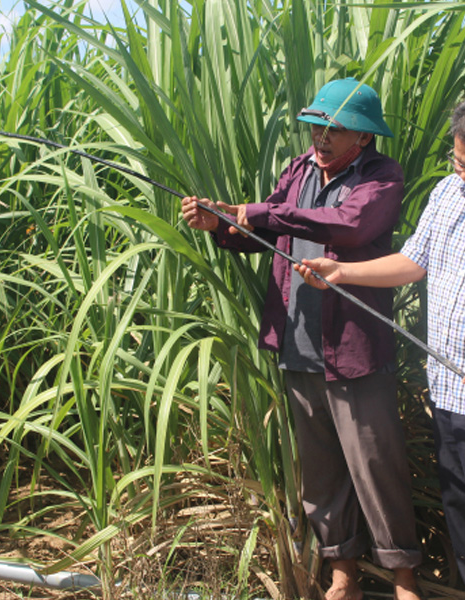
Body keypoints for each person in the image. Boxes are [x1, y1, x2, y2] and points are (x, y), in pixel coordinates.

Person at [297, 92, 465, 600]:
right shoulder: (449, 193)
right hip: (446, 386)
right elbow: (412, 262)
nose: (464, 174)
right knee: (463, 510)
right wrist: (343, 272)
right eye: (458, 161)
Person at [181, 78, 421, 600]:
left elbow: (349, 225)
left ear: (362, 137)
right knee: (321, 473)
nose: (320, 137)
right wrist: (220, 222)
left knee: (376, 467)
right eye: (315, 126)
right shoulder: (299, 169)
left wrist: (258, 211)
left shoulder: (380, 176)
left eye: (333, 129)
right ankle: (344, 575)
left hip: (353, 349)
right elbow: (266, 230)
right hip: (299, 344)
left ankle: (405, 580)